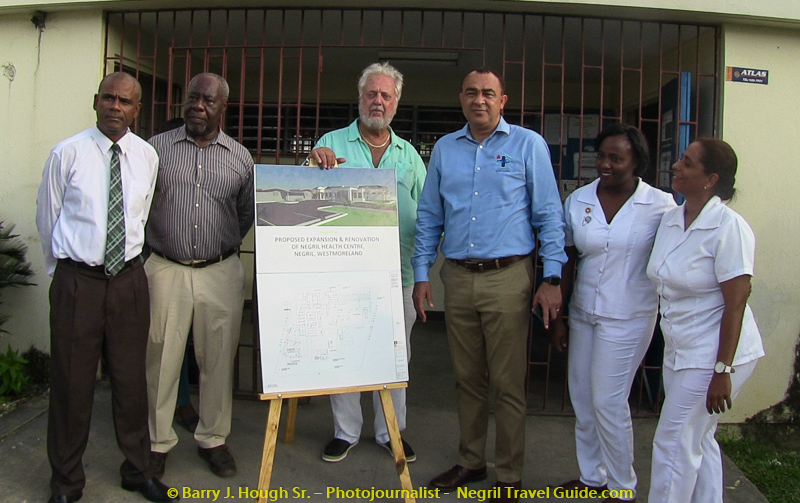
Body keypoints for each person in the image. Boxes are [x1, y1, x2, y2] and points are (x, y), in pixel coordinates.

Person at [412, 68, 566, 503]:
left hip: (508, 278)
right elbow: (429, 215)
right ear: (461, 98)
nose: (479, 100)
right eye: (471, 92)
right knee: (466, 379)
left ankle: (509, 475)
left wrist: (552, 276)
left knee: (508, 382)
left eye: (488, 93)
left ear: (502, 101)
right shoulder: (445, 149)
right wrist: (422, 273)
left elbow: (549, 214)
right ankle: (471, 461)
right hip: (458, 278)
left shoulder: (527, 145)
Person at [35, 72, 177, 503]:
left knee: (132, 383)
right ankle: (66, 483)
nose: (116, 106)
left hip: (129, 282)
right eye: (109, 98)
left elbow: (141, 216)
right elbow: (47, 218)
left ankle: (137, 471)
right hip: (79, 282)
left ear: (137, 110)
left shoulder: (147, 156)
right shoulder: (67, 153)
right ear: (96, 101)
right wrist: (65, 276)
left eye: (125, 101)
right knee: (72, 386)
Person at [306, 62, 426, 464]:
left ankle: (391, 432)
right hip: (344, 274)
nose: (378, 101)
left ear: (396, 103)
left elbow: (428, 213)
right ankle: (346, 432)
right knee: (344, 350)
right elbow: (306, 192)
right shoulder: (331, 143)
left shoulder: (409, 155)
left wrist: (424, 270)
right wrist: (312, 160)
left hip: (398, 274)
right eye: (371, 93)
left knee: (395, 356)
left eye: (386, 95)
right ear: (360, 98)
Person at [549, 123, 676, 502]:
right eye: (602, 156)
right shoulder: (580, 200)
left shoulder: (660, 206)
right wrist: (559, 317)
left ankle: (622, 487)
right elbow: (568, 258)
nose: (605, 164)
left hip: (629, 316)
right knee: (582, 398)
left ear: (636, 161)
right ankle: (593, 477)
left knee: (608, 400)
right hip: (584, 311)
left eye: (616, 158)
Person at [145, 72, 255, 479]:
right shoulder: (156, 149)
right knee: (161, 358)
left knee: (218, 359)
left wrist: (216, 246)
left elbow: (244, 214)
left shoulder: (240, 158)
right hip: (165, 268)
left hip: (220, 270)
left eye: (208, 100)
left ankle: (212, 439)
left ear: (223, 107)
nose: (198, 106)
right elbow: (142, 203)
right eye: (193, 98)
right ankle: (157, 442)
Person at [646, 139, 764, 503]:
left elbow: (736, 303)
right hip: (680, 349)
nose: (676, 166)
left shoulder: (729, 228)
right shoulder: (671, 220)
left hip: (715, 354)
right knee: (698, 439)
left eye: (687, 162)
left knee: (674, 441)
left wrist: (722, 370)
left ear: (711, 179)